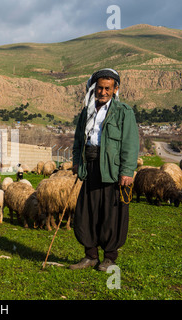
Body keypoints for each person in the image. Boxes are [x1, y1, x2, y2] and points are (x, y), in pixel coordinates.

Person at [70, 68, 139, 271]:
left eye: (107, 88)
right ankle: (90, 255)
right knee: (86, 212)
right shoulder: (87, 111)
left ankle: (109, 258)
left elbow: (130, 143)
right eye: (99, 88)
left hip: (112, 169)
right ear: (94, 88)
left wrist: (127, 171)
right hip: (90, 167)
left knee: (111, 214)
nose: (103, 92)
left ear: (115, 89)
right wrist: (76, 161)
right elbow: (78, 140)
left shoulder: (123, 112)